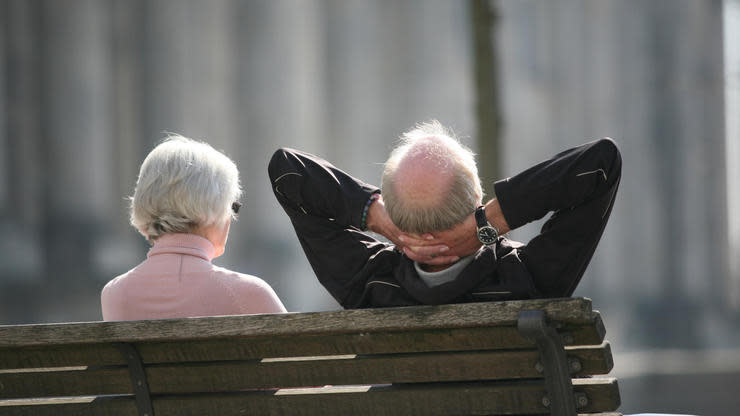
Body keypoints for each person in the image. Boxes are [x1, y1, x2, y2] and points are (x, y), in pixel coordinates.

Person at [268, 120, 621, 308]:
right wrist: (487, 225)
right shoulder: (528, 279)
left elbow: (289, 173)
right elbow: (601, 164)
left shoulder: (367, 284)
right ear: (478, 197)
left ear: (397, 213)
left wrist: (378, 219)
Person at [101, 134, 286, 320]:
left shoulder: (115, 293)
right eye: (232, 206)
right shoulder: (248, 293)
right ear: (213, 206)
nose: (231, 218)